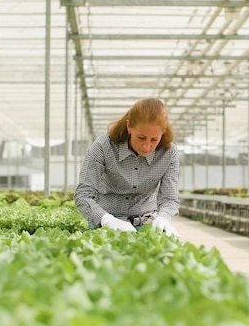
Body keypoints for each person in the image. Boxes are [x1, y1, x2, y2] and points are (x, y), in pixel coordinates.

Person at [75, 97, 180, 237]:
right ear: (129, 126)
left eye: (154, 139)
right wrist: (107, 220)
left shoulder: (169, 153)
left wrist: (163, 218)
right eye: (141, 137)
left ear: (163, 132)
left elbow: (169, 198)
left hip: (148, 225)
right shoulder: (103, 146)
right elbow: (83, 194)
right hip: (106, 225)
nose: (147, 146)